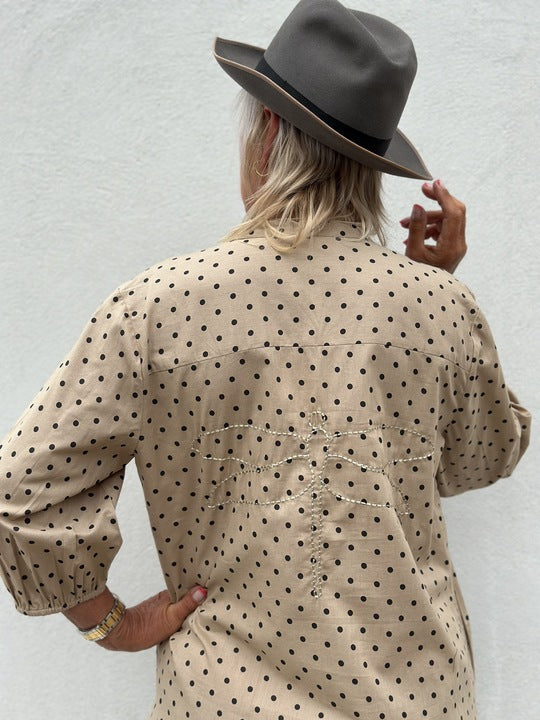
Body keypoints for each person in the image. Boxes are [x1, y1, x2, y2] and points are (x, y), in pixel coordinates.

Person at [0, 1, 531, 719]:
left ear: (271, 132)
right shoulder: (439, 307)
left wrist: (109, 624)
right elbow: (481, 457)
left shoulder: (158, 306)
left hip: (225, 699)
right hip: (416, 700)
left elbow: (24, 492)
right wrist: (438, 293)